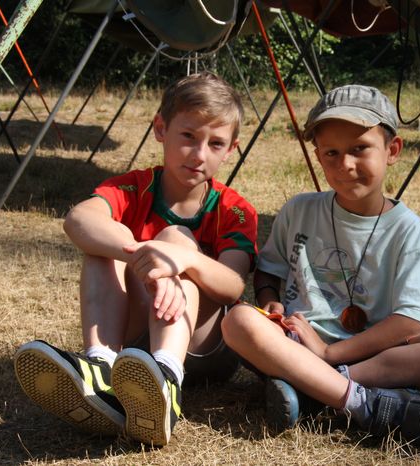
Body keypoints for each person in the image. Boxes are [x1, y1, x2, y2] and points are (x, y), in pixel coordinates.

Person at [221, 84, 420, 453]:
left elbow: (410, 323)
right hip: (295, 346)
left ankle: (315, 391)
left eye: (359, 149)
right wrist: (268, 298)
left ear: (392, 150)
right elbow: (269, 268)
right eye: (332, 153)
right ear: (318, 156)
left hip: (373, 358)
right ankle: (362, 402)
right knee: (237, 320)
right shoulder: (299, 210)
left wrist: (330, 355)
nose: (345, 164)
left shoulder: (406, 229)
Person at [14, 72, 258, 447]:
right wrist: (145, 254)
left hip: (205, 348)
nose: (199, 154)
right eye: (188, 136)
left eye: (215, 143)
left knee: (176, 236)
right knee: (102, 248)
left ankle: (168, 379)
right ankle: (102, 365)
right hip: (137, 348)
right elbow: (78, 220)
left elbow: (233, 285)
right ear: (161, 129)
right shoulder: (133, 186)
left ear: (231, 149)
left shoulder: (234, 209)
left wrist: (180, 259)